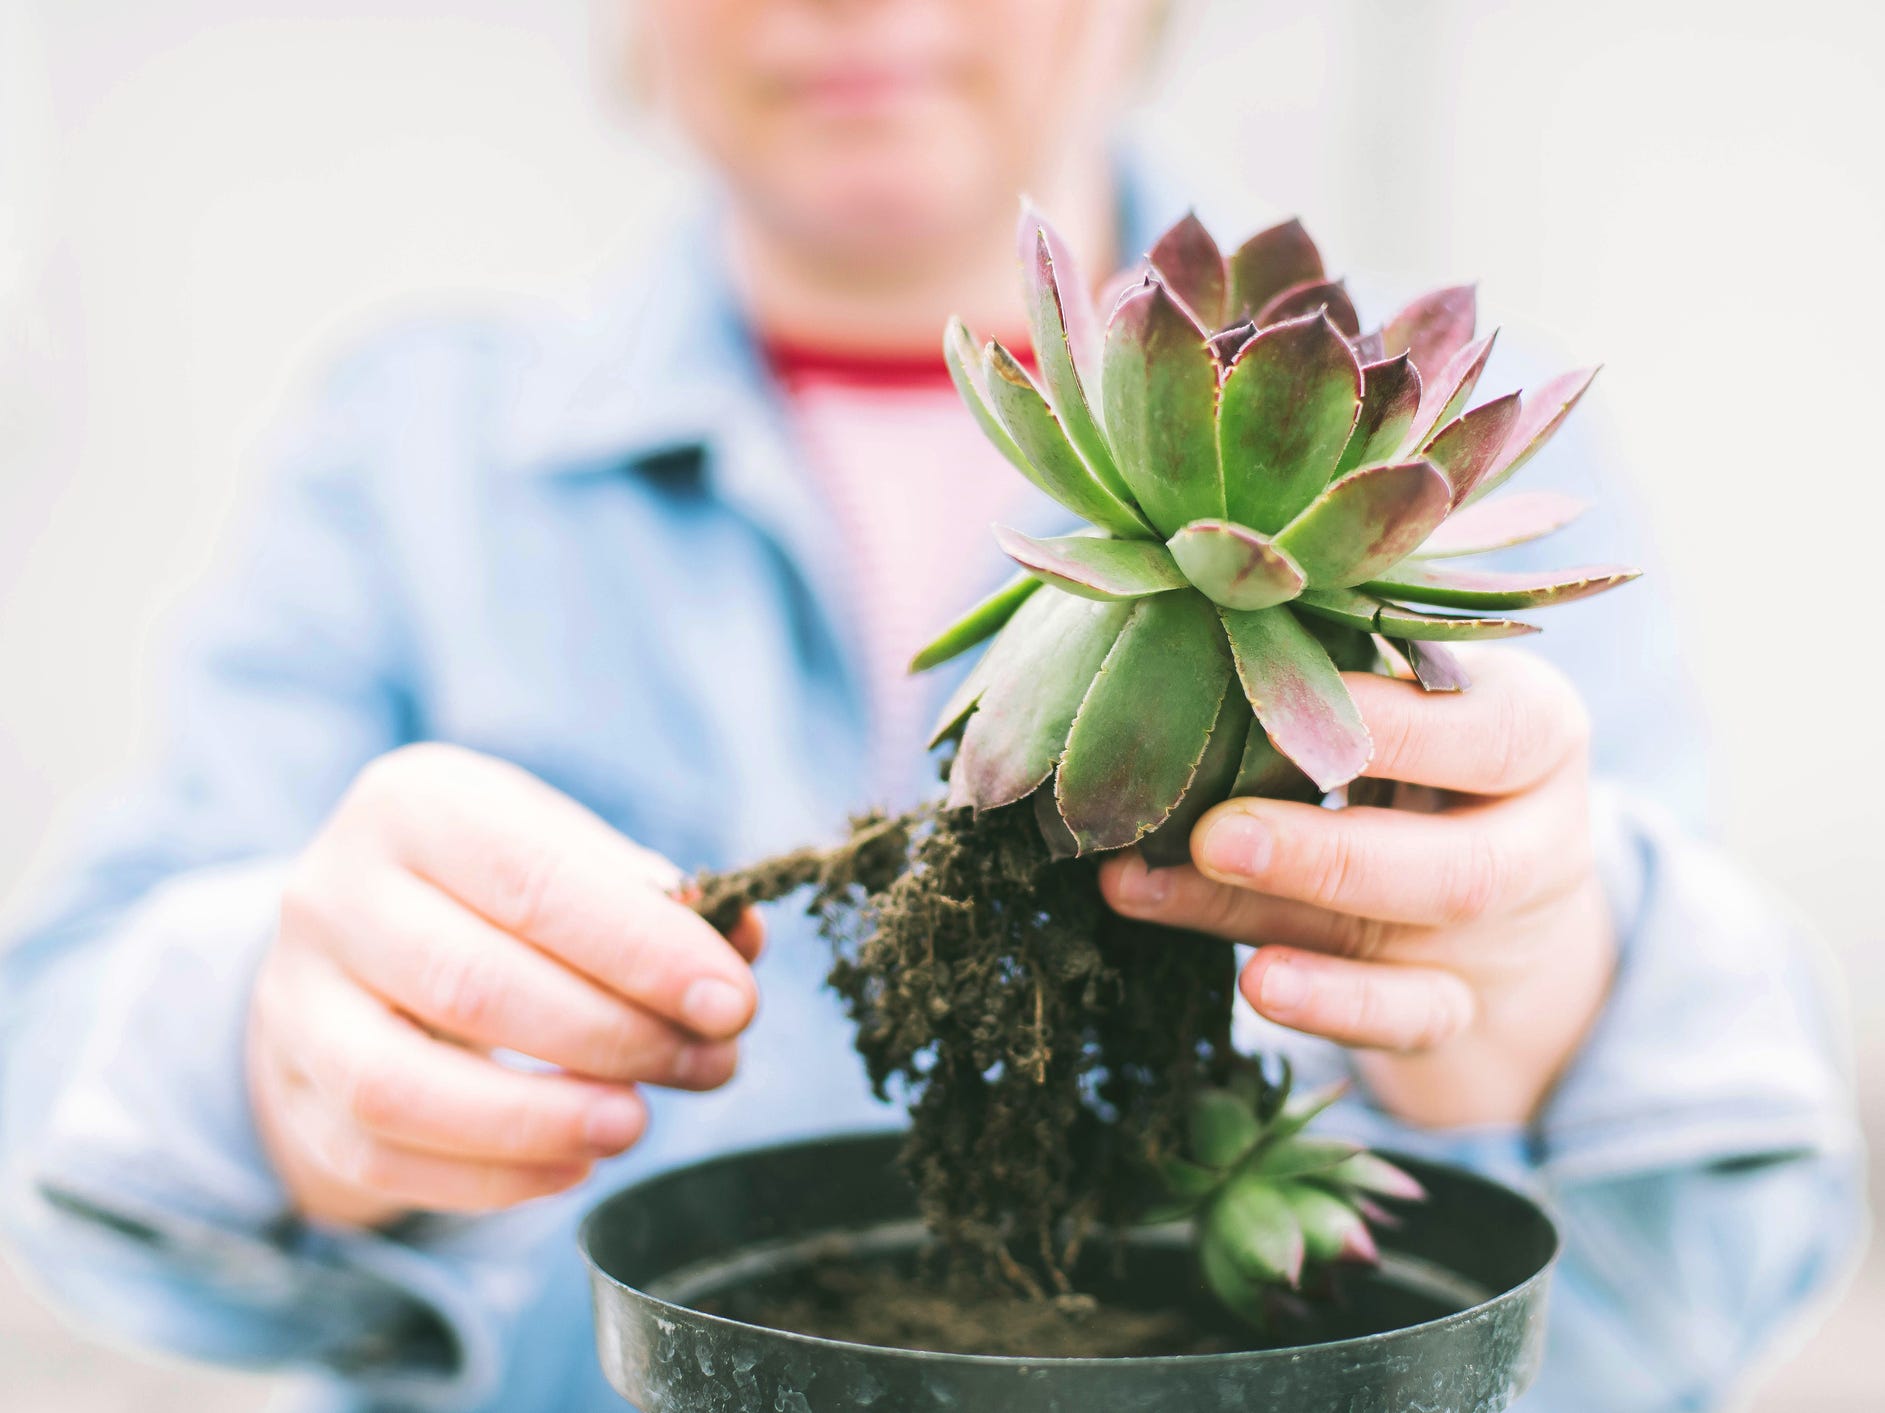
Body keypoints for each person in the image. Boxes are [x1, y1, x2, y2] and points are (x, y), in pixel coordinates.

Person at [0, 3, 1859, 1410]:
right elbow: (56, 1063)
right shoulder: (415, 457)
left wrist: (1568, 987)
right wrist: (269, 1047)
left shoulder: (1429, 449)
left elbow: (1721, 1269)